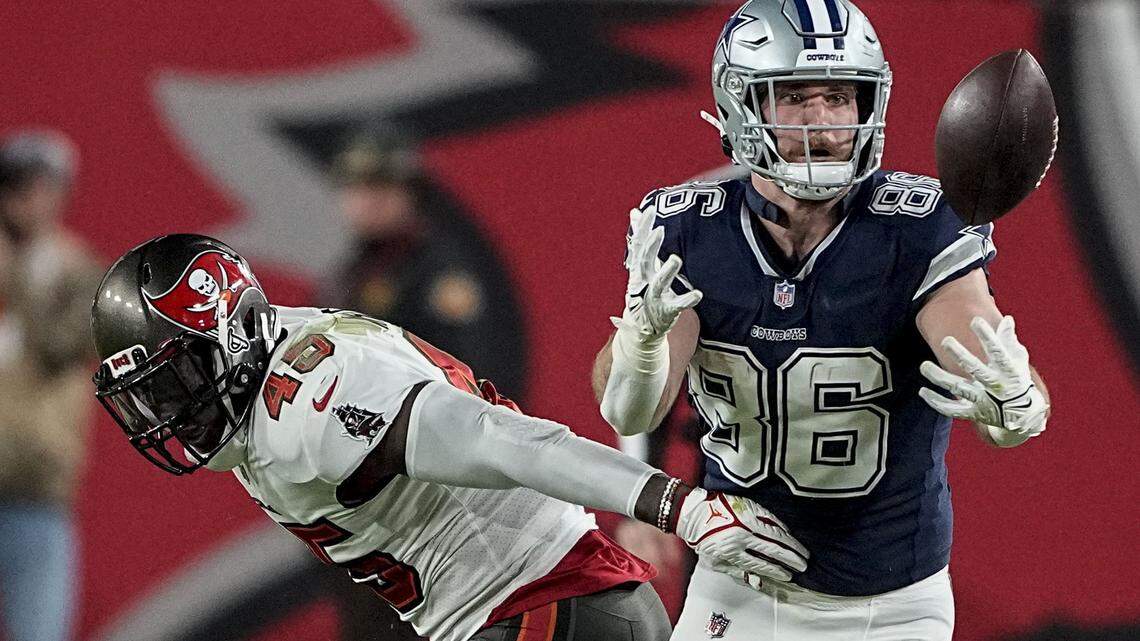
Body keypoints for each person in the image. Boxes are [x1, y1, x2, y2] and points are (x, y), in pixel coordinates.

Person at [89, 234, 810, 641]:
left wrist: (675, 506)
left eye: (178, 379)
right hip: (524, 609)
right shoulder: (266, 371)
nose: (170, 412)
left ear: (238, 334)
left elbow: (506, 440)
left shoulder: (313, 400)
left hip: (550, 608)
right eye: (152, 393)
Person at [592, 1, 1051, 639]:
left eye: (839, 97)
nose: (822, 122)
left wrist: (1016, 400)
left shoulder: (915, 227)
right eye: (795, 96)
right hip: (740, 584)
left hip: (892, 602)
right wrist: (639, 345)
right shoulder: (690, 230)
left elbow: (982, 352)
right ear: (738, 104)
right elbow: (630, 412)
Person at [327, 130, 527, 398]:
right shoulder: (353, 271)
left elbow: (474, 374)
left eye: (383, 187)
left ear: (413, 194)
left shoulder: (440, 270)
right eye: (358, 187)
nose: (368, 201)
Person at [0, 130, 101, 641]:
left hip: (34, 485)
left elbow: (57, 348)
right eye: (17, 186)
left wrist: (22, 272)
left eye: (43, 187)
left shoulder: (77, 272)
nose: (28, 200)